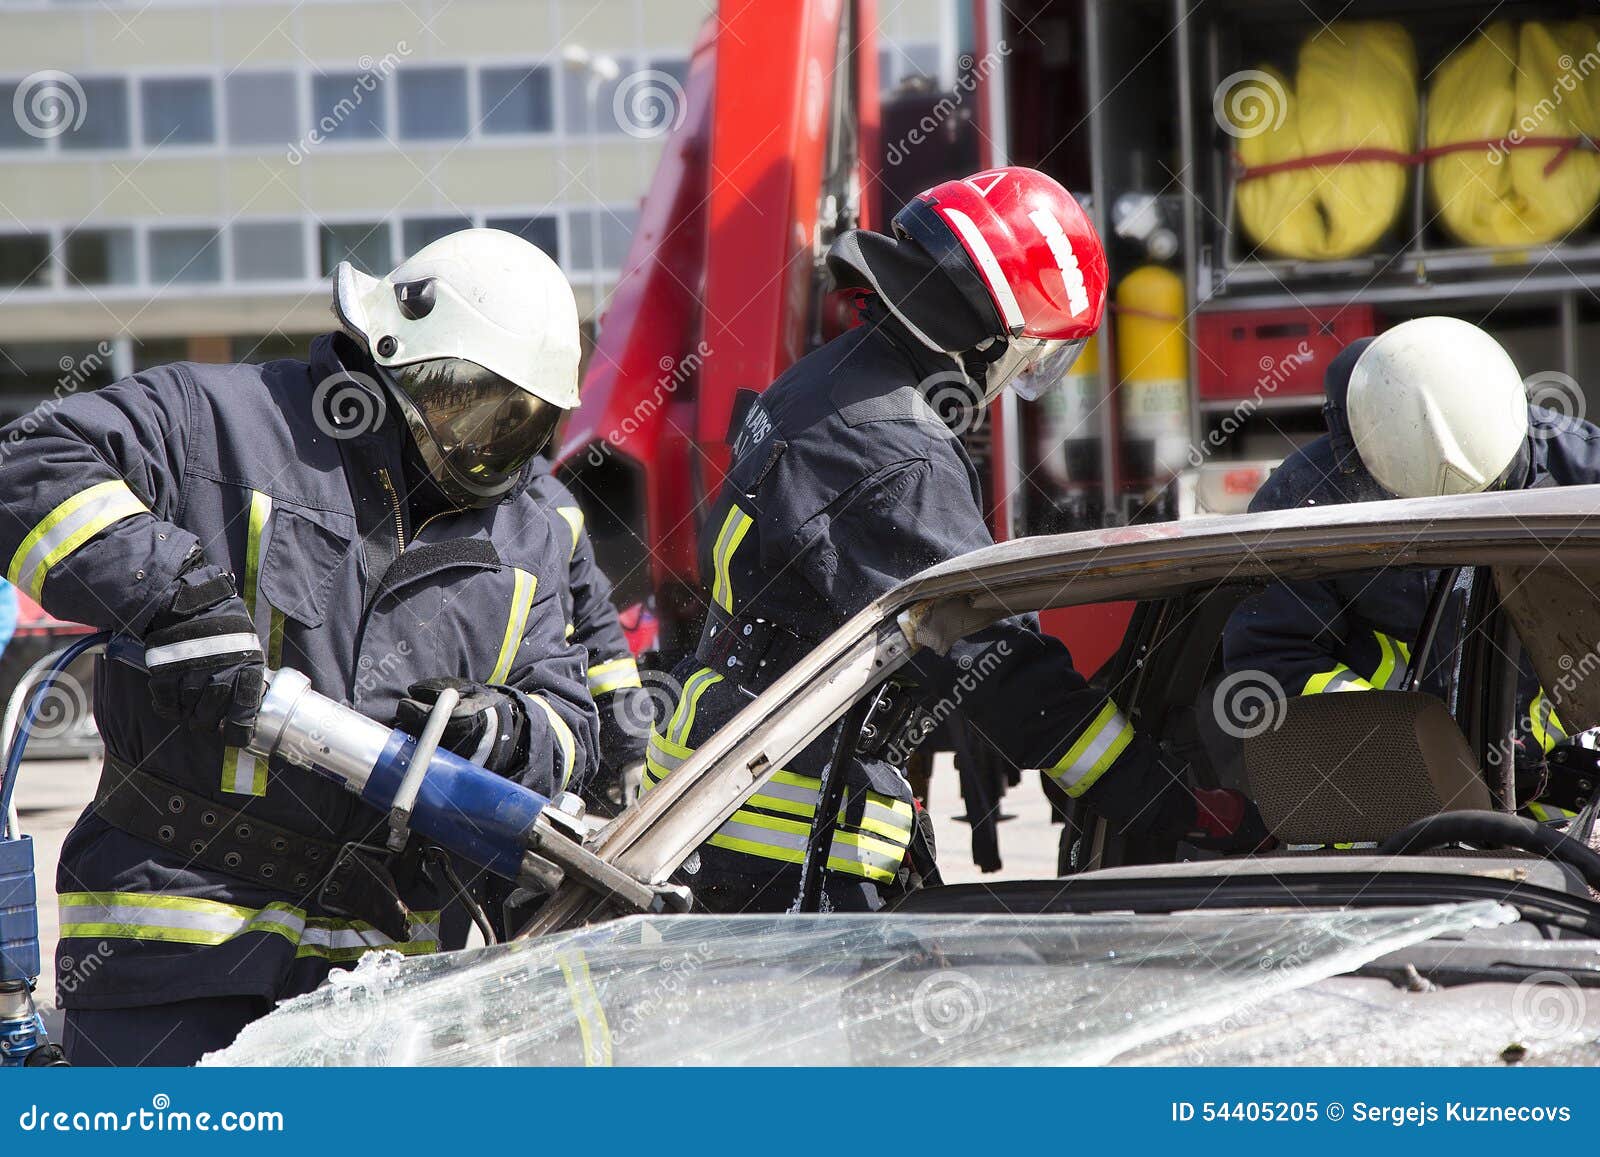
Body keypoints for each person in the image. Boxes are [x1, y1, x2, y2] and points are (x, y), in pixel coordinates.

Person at [0, 228, 599, 1065]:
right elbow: (28, 466)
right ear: (394, 357)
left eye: (517, 423)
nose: (485, 448)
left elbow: (574, 721)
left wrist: (504, 730)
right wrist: (173, 596)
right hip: (180, 944)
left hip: (391, 985)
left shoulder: (530, 537)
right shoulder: (223, 420)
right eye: (471, 405)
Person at [645, 167, 1265, 914]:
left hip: (722, 804)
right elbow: (1001, 662)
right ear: (987, 328)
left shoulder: (823, 384)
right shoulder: (897, 447)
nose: (1021, 374)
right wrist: (1164, 800)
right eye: (1031, 353)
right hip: (784, 843)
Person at [1223, 316, 1600, 818]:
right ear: (1369, 466)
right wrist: (1414, 756)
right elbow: (1271, 659)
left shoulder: (1583, 478)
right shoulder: (1307, 505)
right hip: (1392, 818)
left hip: (1569, 805)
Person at [526, 454, 648, 815]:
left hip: (537, 743)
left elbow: (598, 632)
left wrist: (632, 748)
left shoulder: (557, 504)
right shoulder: (453, 501)